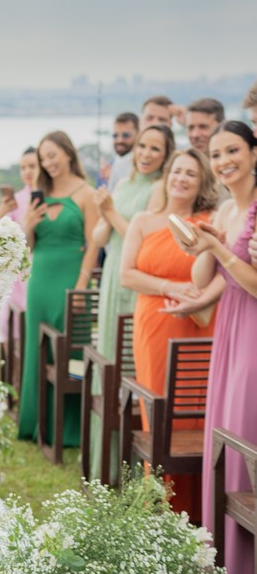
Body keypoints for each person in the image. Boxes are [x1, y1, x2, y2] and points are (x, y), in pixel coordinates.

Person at [165, 122, 257, 574]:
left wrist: (219, 249)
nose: (223, 161)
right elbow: (221, 277)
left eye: (233, 151)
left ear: (253, 152)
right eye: (217, 153)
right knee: (220, 438)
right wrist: (200, 252)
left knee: (245, 443)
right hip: (229, 330)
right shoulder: (225, 208)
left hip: (254, 338)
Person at [119, 147, 219, 518]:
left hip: (201, 323)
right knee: (159, 412)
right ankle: (159, 508)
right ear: (167, 175)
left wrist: (193, 293)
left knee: (197, 414)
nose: (181, 178)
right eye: (177, 171)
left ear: (202, 182)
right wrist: (169, 287)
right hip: (155, 322)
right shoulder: (144, 220)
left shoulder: (208, 222)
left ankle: (198, 510)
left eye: (191, 173)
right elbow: (126, 274)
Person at [87, 122, 173, 480]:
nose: (147, 154)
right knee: (108, 362)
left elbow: (141, 240)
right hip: (111, 279)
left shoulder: (157, 191)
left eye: (156, 148)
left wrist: (109, 212)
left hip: (134, 281)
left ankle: (133, 468)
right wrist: (102, 210)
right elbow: (100, 236)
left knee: (130, 369)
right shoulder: (124, 183)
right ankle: (103, 465)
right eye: (143, 147)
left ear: (166, 155)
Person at [17, 131, 99, 445]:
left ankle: (70, 430)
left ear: (67, 153)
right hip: (41, 281)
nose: (48, 163)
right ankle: (37, 423)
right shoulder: (40, 193)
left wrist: (80, 287)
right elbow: (30, 246)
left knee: (71, 352)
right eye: (43, 158)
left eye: (52, 155)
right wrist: (29, 226)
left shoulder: (86, 194)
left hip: (72, 280)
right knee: (36, 352)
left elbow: (93, 245)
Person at [0, 147, 38, 340]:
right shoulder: (16, 200)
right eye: (23, 167)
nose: (27, 171)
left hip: (39, 264)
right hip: (19, 269)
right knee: (13, 322)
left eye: (32, 166)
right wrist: (2, 211)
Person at [107, 112, 140, 190]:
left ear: (139, 134)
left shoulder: (140, 165)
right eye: (115, 136)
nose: (119, 140)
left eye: (126, 135)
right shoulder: (117, 160)